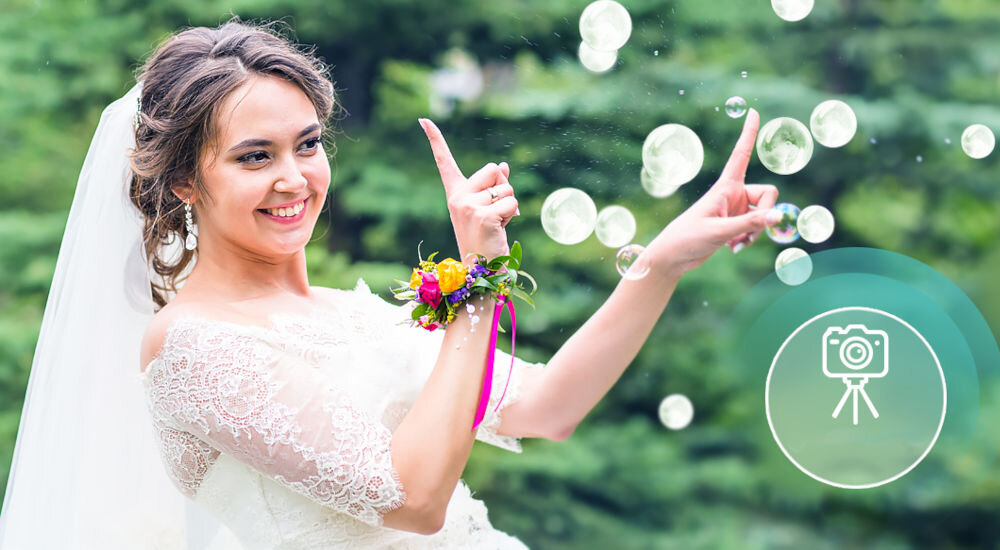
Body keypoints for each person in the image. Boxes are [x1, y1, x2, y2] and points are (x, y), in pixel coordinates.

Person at [0, 18, 781, 549]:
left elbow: (549, 408)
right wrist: (478, 280)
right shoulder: (191, 348)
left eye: (306, 145)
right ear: (180, 184)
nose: (294, 179)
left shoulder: (355, 314)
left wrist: (663, 260)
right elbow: (411, 498)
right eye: (253, 156)